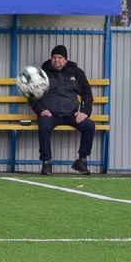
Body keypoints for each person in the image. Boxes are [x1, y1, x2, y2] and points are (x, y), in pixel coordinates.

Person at [29, 45, 95, 175]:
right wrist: (41, 110)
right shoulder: (43, 73)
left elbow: (87, 94)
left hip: (72, 114)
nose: (56, 60)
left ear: (65, 59)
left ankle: (82, 160)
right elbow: (32, 94)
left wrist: (84, 112)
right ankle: (46, 162)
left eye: (60, 57)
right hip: (50, 114)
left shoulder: (76, 72)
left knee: (89, 126)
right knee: (43, 125)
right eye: (54, 57)